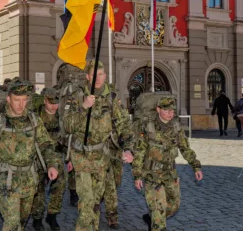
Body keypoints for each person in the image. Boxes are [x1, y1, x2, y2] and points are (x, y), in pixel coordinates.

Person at [0, 79, 62, 231]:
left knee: (22, 219)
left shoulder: (33, 119)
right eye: (17, 100)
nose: (21, 104)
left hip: (28, 179)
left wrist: (52, 165)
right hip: (5, 178)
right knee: (12, 223)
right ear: (8, 99)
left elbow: (46, 144)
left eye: (24, 100)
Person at [63, 60, 133, 231]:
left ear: (105, 75)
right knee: (87, 200)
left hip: (102, 157)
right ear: (88, 77)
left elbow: (124, 125)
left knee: (94, 202)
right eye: (94, 75)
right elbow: (67, 126)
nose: (98, 78)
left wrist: (128, 148)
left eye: (100, 74)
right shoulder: (78, 96)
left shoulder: (111, 98)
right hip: (82, 156)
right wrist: (83, 107)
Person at [133, 96, 203, 231]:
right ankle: (157, 222)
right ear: (158, 109)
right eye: (166, 110)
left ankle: (153, 219)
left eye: (172, 110)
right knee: (158, 209)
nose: (170, 113)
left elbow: (185, 148)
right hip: (152, 174)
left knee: (174, 205)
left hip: (170, 173)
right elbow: (140, 152)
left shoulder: (176, 127)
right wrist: (137, 175)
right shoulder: (148, 127)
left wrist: (196, 166)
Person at [31, 87, 65, 231]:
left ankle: (52, 215)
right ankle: (37, 218)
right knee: (38, 189)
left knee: (60, 185)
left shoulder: (61, 117)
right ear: (45, 100)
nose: (54, 106)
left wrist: (69, 158)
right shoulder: (35, 116)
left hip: (55, 157)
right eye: (51, 103)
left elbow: (66, 138)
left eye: (56, 103)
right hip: (38, 157)